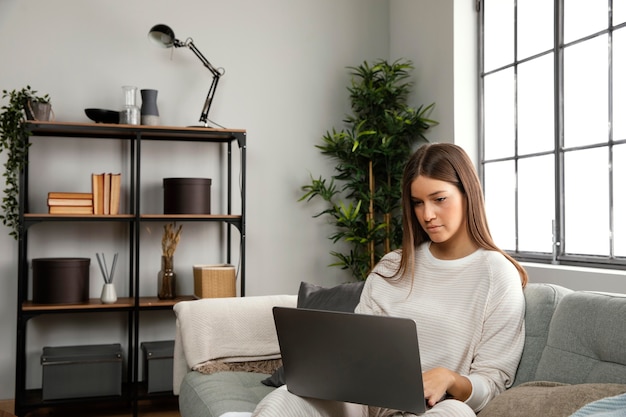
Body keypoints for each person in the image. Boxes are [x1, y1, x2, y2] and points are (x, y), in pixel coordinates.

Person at [252, 143, 528, 417]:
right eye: (417, 203)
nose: (427, 215)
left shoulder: (497, 275)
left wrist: (450, 379)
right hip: (362, 400)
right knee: (283, 399)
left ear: (468, 194)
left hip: (436, 409)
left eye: (439, 199)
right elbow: (357, 348)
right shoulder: (393, 265)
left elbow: (494, 382)